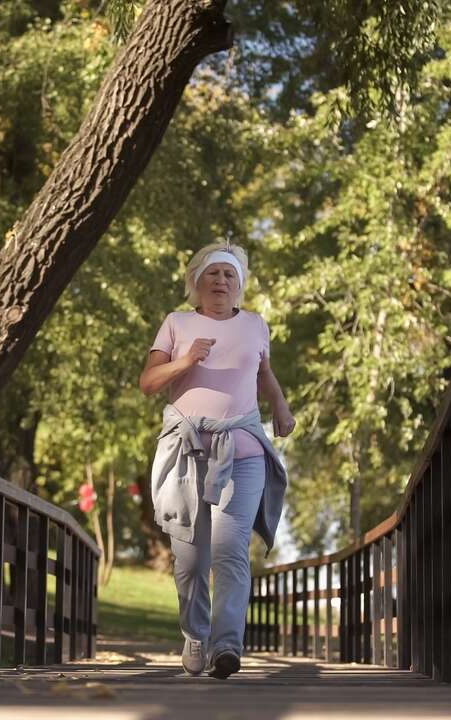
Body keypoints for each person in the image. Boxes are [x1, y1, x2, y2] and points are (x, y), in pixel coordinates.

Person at [139, 242, 295, 679]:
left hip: (242, 450)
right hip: (186, 451)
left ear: (239, 284)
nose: (221, 281)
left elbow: (264, 373)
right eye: (213, 274)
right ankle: (195, 633)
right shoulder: (177, 323)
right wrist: (186, 361)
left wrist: (280, 407)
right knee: (190, 562)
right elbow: (149, 383)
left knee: (230, 552)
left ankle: (227, 646)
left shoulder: (256, 325)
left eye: (230, 275)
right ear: (197, 281)